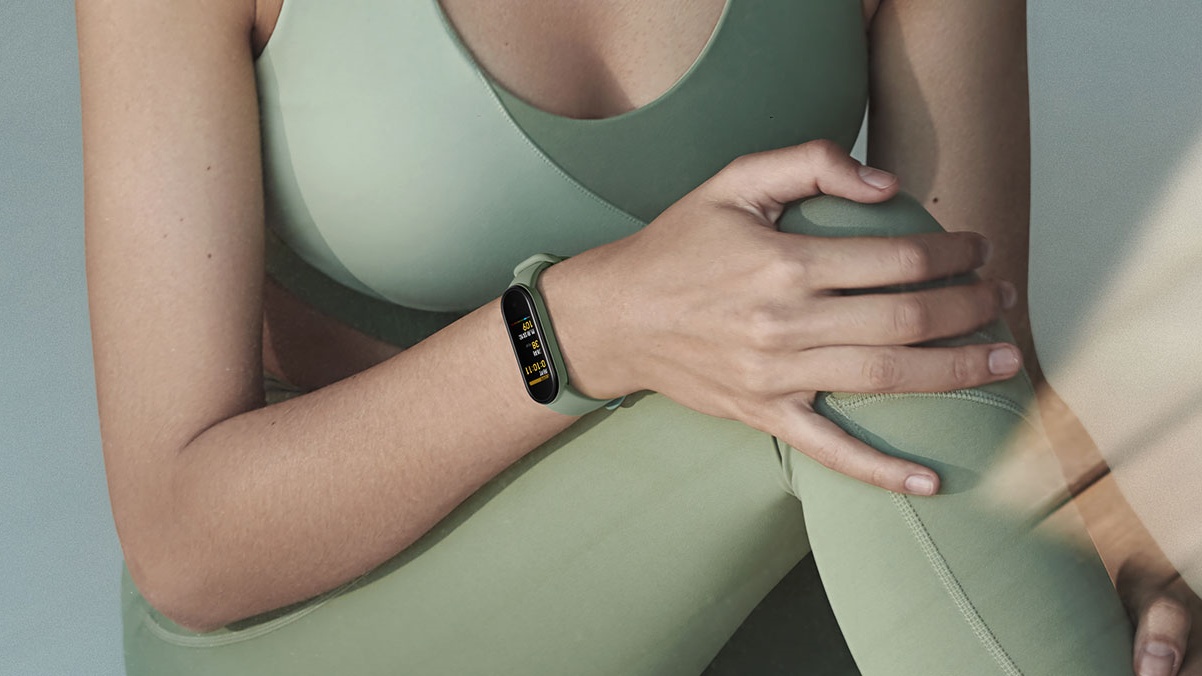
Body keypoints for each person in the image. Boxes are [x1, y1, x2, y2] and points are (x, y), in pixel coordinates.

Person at [75, 0, 1194, 673]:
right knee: (839, 279)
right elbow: (187, 544)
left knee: (866, 300)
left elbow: (974, 349)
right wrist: (579, 329)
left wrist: (1115, 546)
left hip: (747, 567)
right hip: (347, 600)